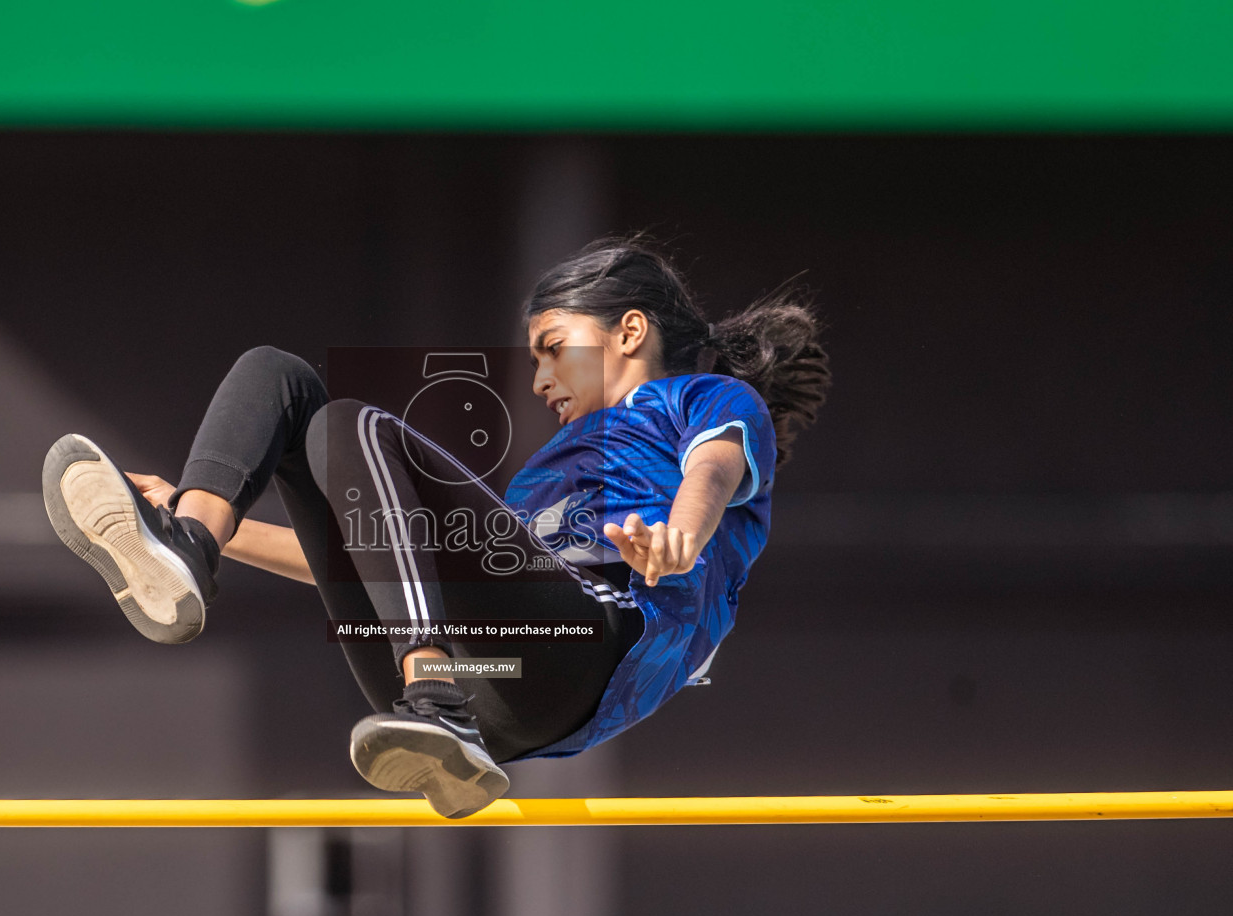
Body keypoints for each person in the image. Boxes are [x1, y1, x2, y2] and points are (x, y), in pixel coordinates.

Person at [41, 237, 829, 818]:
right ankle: (187, 544)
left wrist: (682, 534)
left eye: (554, 349)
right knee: (282, 382)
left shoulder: (707, 402)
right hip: (493, 682)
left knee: (354, 426)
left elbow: (712, 474)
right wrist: (187, 509)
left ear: (628, 332)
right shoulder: (543, 476)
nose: (539, 379)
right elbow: (385, 558)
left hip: (584, 657)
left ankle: (435, 689)